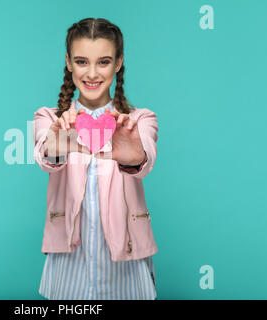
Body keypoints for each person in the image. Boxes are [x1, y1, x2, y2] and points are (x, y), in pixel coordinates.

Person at [32, 17, 159, 300]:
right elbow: (44, 152)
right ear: (68, 62)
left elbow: (145, 157)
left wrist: (133, 154)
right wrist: (55, 144)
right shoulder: (49, 118)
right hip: (69, 256)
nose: (91, 73)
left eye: (103, 62)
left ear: (117, 63)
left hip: (126, 257)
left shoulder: (140, 120)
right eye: (81, 61)